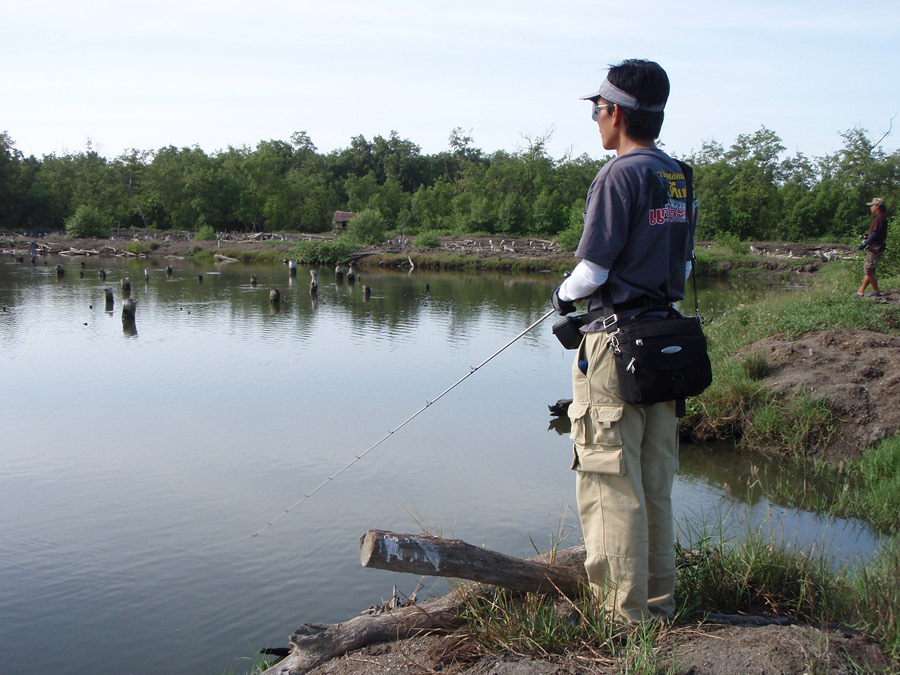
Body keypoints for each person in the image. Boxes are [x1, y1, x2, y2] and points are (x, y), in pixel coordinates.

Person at [550, 59, 696, 624]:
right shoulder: (678, 173)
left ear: (616, 113)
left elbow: (591, 272)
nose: (594, 119)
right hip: (666, 341)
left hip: (616, 345)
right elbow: (682, 257)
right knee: (654, 476)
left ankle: (623, 618)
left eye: (597, 110)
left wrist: (562, 298)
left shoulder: (620, 174)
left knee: (610, 480)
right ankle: (659, 608)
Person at [856, 197, 888, 298]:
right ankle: (860, 291)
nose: (871, 208)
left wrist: (864, 244)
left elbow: (876, 234)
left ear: (877, 206)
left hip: (876, 247)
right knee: (869, 270)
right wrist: (867, 236)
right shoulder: (881, 217)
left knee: (869, 270)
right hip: (876, 245)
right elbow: (876, 233)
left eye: (872, 206)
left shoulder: (879, 218)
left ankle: (876, 291)